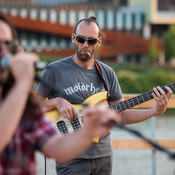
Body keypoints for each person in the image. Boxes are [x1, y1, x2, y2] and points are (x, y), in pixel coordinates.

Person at [34, 16, 172, 175]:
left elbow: (122, 115)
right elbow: (29, 106)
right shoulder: (54, 70)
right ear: (73, 38)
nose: (85, 45)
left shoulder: (107, 73)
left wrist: (156, 111)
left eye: (91, 41)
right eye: (80, 39)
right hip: (71, 157)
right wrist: (56, 102)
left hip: (103, 157)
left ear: (99, 42)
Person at [0, 11, 118, 175]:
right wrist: (23, 84)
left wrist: (88, 130)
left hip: (102, 155)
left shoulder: (23, 106)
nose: (4, 52)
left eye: (9, 45)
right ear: (73, 38)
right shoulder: (21, 94)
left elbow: (57, 148)